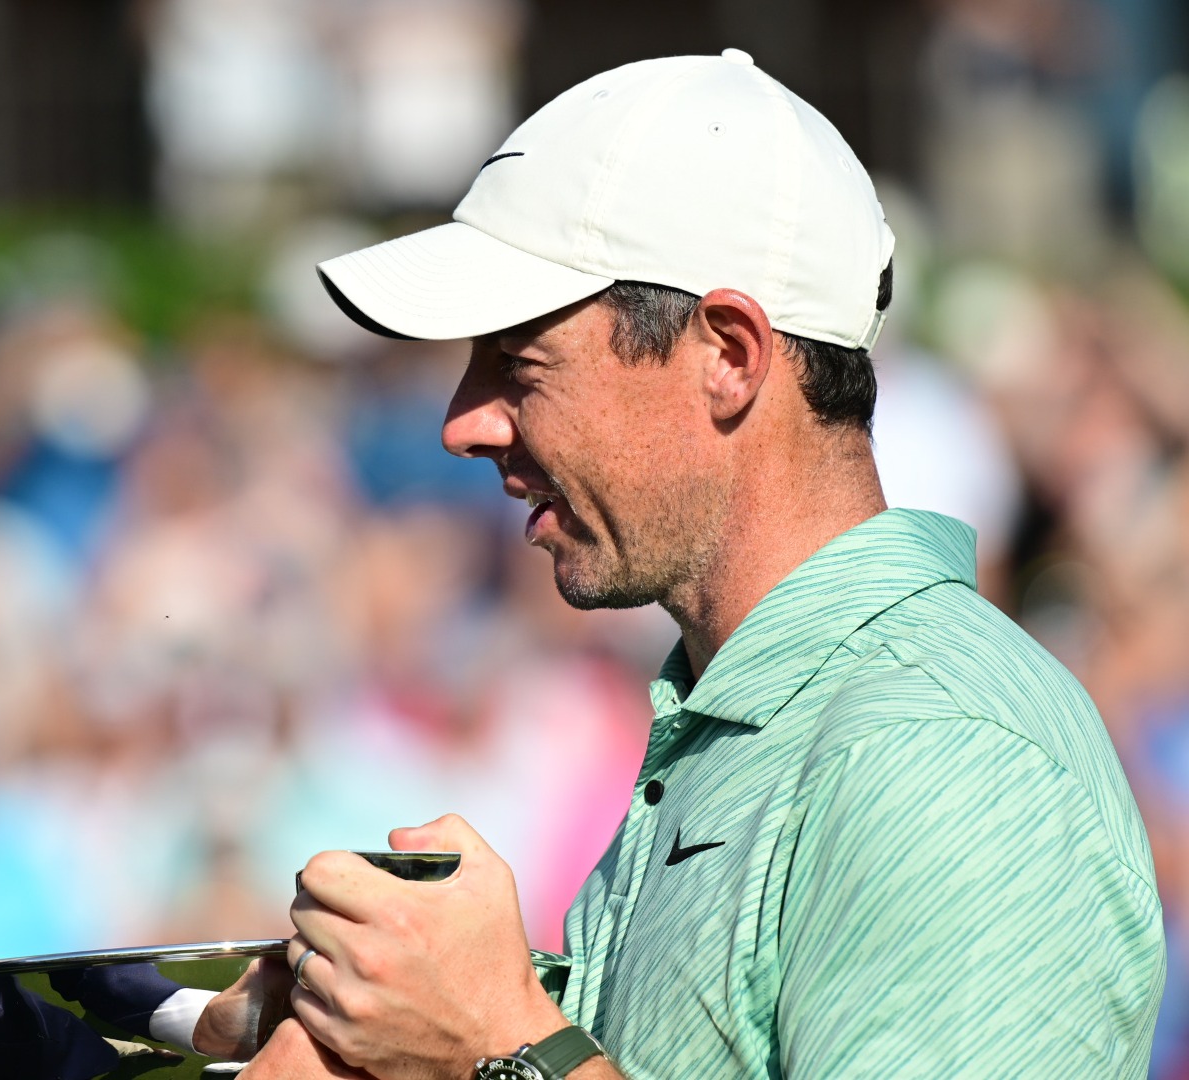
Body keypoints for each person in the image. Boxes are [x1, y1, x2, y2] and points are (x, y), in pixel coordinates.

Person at [247, 52, 1164, 1079]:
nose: (464, 423)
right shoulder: (749, 713)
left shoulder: (940, 749)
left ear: (729, 354)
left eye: (519, 362)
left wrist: (491, 1046)